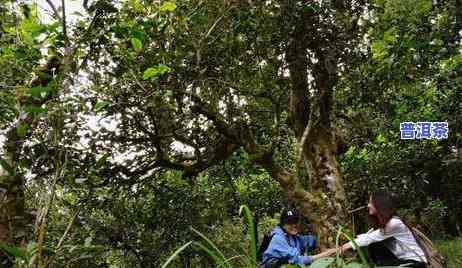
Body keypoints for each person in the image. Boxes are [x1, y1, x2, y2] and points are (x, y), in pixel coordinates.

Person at [325, 192, 427, 268]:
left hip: (416, 263)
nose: (368, 205)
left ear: (380, 205)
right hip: (402, 260)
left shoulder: (393, 223)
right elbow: (367, 237)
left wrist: (320, 256)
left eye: (370, 202)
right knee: (375, 245)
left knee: (373, 244)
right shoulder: (386, 224)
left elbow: (365, 240)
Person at [260, 209, 331, 268]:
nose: (294, 225)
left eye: (295, 221)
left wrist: (326, 234)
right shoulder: (278, 238)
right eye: (289, 222)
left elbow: (311, 240)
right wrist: (327, 254)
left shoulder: (294, 238)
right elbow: (298, 260)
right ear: (283, 224)